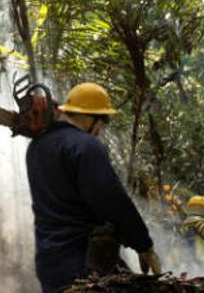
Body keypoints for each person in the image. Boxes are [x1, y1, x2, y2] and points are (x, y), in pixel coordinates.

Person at [25, 82, 161, 292]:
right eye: (103, 120)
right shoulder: (85, 145)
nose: (101, 128)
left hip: (49, 264)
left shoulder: (35, 148)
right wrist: (144, 245)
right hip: (84, 263)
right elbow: (112, 201)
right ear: (90, 117)